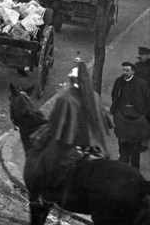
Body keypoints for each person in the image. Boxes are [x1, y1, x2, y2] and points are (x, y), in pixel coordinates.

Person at [36, 61, 111, 199]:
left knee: (49, 161)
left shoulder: (66, 98)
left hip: (72, 143)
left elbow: (55, 124)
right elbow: (104, 121)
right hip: (95, 145)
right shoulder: (95, 96)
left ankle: (47, 195)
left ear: (72, 80)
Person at [110, 61, 150, 170]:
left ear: (133, 71)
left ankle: (135, 165)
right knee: (122, 139)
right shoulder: (119, 81)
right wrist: (117, 110)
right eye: (123, 70)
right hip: (122, 117)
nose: (125, 72)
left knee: (135, 142)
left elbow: (147, 99)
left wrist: (144, 114)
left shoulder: (141, 83)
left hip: (136, 118)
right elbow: (114, 95)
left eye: (127, 70)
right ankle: (124, 160)